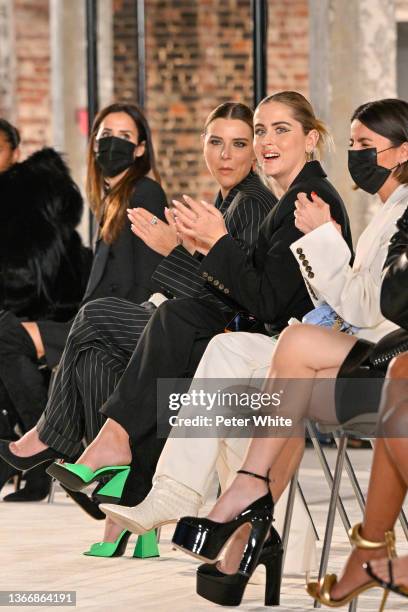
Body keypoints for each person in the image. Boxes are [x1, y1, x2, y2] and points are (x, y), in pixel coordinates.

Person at [54, 90, 351, 565]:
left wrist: (202, 245)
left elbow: (265, 301)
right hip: (265, 341)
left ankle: (120, 459)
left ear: (311, 139)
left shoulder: (300, 200)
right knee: (166, 331)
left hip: (298, 350)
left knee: (155, 334)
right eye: (260, 131)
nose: (263, 142)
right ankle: (127, 459)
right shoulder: (285, 199)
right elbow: (255, 288)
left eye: (280, 130)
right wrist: (200, 247)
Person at [169, 98, 408, 607]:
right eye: (353, 144)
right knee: (238, 359)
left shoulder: (324, 198)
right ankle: (245, 521)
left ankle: (237, 504)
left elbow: (361, 305)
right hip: (340, 358)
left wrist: (320, 238)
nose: (355, 155)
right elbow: (342, 298)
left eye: (366, 146)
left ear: (401, 151)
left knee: (260, 363)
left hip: (383, 361)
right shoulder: (382, 210)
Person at [0, 102, 276, 529]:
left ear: (255, 150)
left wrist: (173, 250)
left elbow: (232, 298)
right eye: (216, 142)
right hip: (187, 327)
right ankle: (115, 487)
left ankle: (56, 441)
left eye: (239, 144)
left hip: (215, 343)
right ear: (202, 144)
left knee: (93, 320)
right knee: (94, 356)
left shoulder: (250, 203)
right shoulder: (228, 202)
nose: (225, 155)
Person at [0, 102, 167, 501]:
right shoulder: (112, 199)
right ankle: (52, 447)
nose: (113, 144)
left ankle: (48, 440)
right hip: (89, 320)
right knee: (5, 332)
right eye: (105, 135)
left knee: (6, 334)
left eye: (125, 137)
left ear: (142, 149)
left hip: (117, 326)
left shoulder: (144, 192)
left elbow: (146, 282)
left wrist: (91, 327)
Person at [306, 205, 408, 609]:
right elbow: (394, 298)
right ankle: (369, 547)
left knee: (398, 410)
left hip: (361, 343)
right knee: (399, 375)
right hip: (375, 348)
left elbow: (375, 303)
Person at [0, 121, 92, 499]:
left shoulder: (29, 195)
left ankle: (39, 455)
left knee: (5, 339)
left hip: (52, 307)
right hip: (19, 311)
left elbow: (31, 269)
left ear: (14, 151)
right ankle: (22, 459)